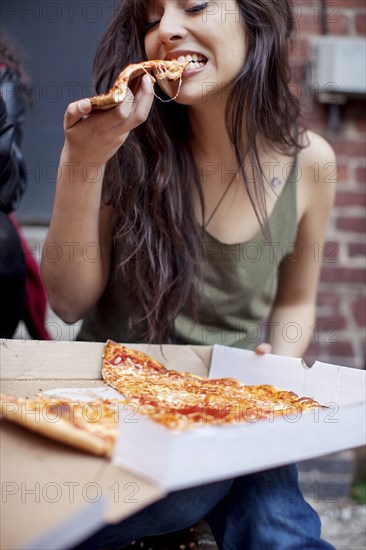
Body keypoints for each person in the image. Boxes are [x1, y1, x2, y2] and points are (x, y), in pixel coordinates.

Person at [41, 1, 336, 548]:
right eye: (152, 20)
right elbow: (67, 301)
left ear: (256, 19)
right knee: (225, 483)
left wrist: (281, 371)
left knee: (263, 485)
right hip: (116, 410)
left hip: (228, 404)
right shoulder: (120, 142)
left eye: (196, 5)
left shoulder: (311, 163)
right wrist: (81, 161)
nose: (169, 31)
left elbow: (296, 300)